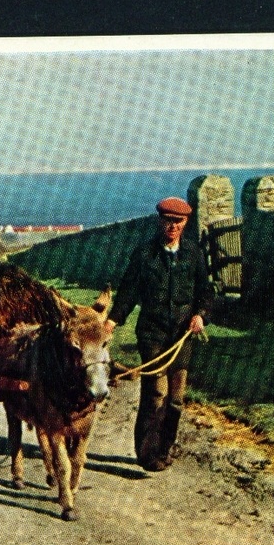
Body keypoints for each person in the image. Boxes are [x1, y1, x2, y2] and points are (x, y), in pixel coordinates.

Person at [108, 196, 213, 472]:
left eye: (177, 222)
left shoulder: (193, 254)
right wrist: (112, 321)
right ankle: (147, 453)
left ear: (186, 223)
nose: (172, 227)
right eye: (167, 221)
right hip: (152, 335)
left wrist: (201, 315)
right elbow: (128, 292)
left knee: (175, 399)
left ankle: (166, 448)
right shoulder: (145, 254)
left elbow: (206, 293)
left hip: (181, 338)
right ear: (160, 221)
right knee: (156, 393)